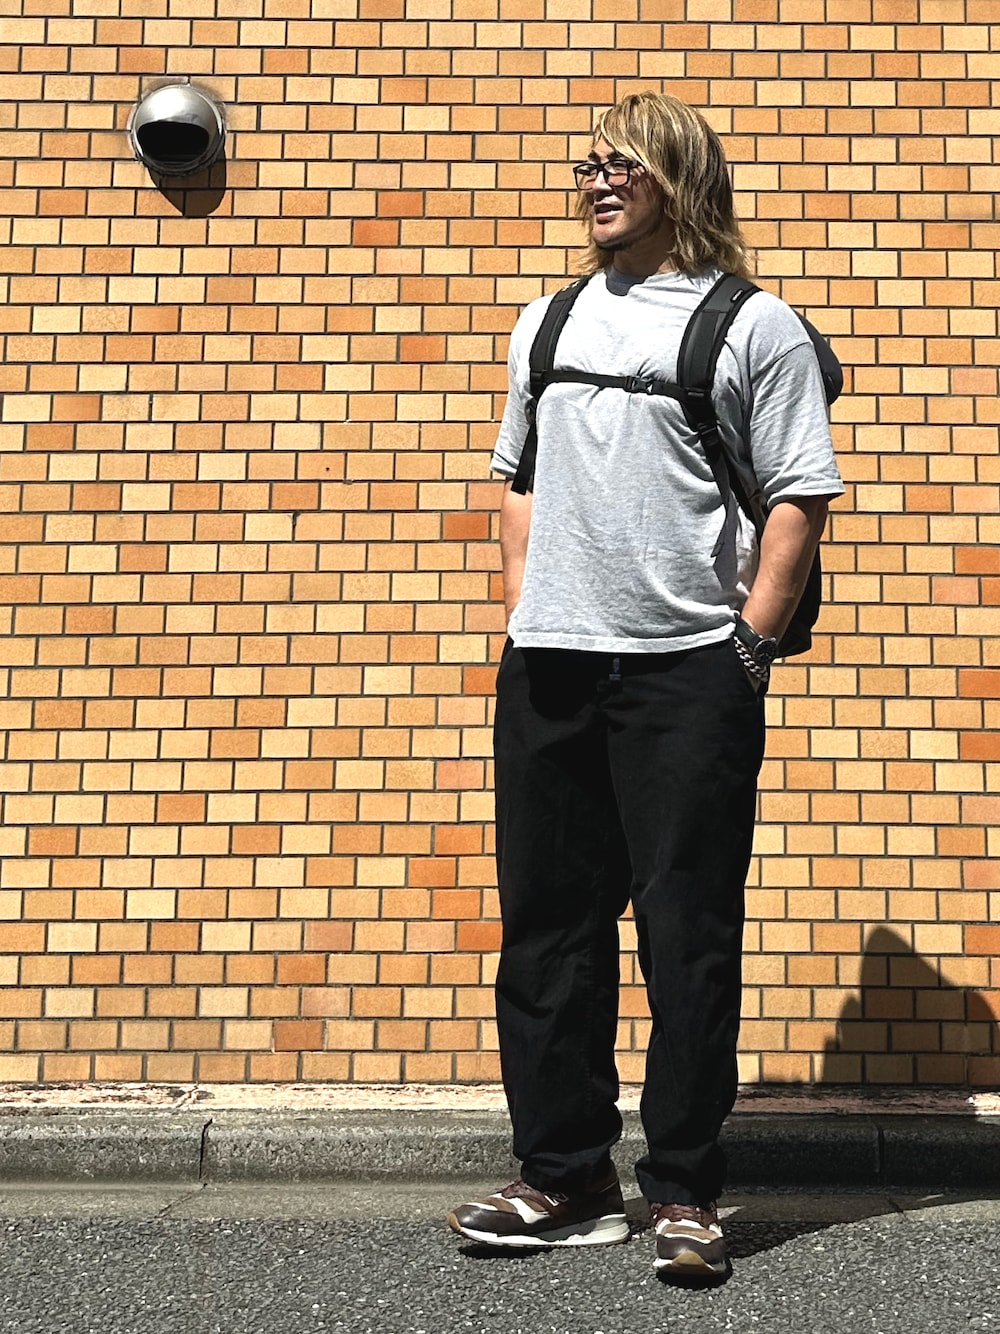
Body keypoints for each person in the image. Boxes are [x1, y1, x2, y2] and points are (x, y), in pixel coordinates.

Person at [447, 91, 844, 1282]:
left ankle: (683, 1191)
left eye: (625, 163)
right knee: (548, 935)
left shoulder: (755, 326)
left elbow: (798, 496)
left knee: (687, 938)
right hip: (551, 667)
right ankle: (565, 1178)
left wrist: (747, 646)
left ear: (681, 179)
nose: (599, 179)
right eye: (589, 164)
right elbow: (517, 476)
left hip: (687, 676)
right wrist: (523, 609)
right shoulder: (547, 320)